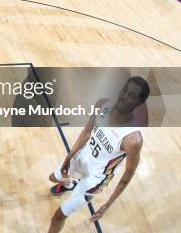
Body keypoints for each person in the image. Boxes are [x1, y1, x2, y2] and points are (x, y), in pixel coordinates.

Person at [48, 77, 149, 232]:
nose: (124, 96)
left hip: (95, 179)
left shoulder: (132, 139)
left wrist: (107, 205)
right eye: (125, 90)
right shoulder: (103, 104)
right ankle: (69, 184)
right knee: (53, 177)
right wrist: (68, 159)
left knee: (58, 216)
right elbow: (87, 131)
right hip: (83, 158)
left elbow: (127, 176)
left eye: (132, 95)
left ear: (139, 103)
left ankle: (74, 186)